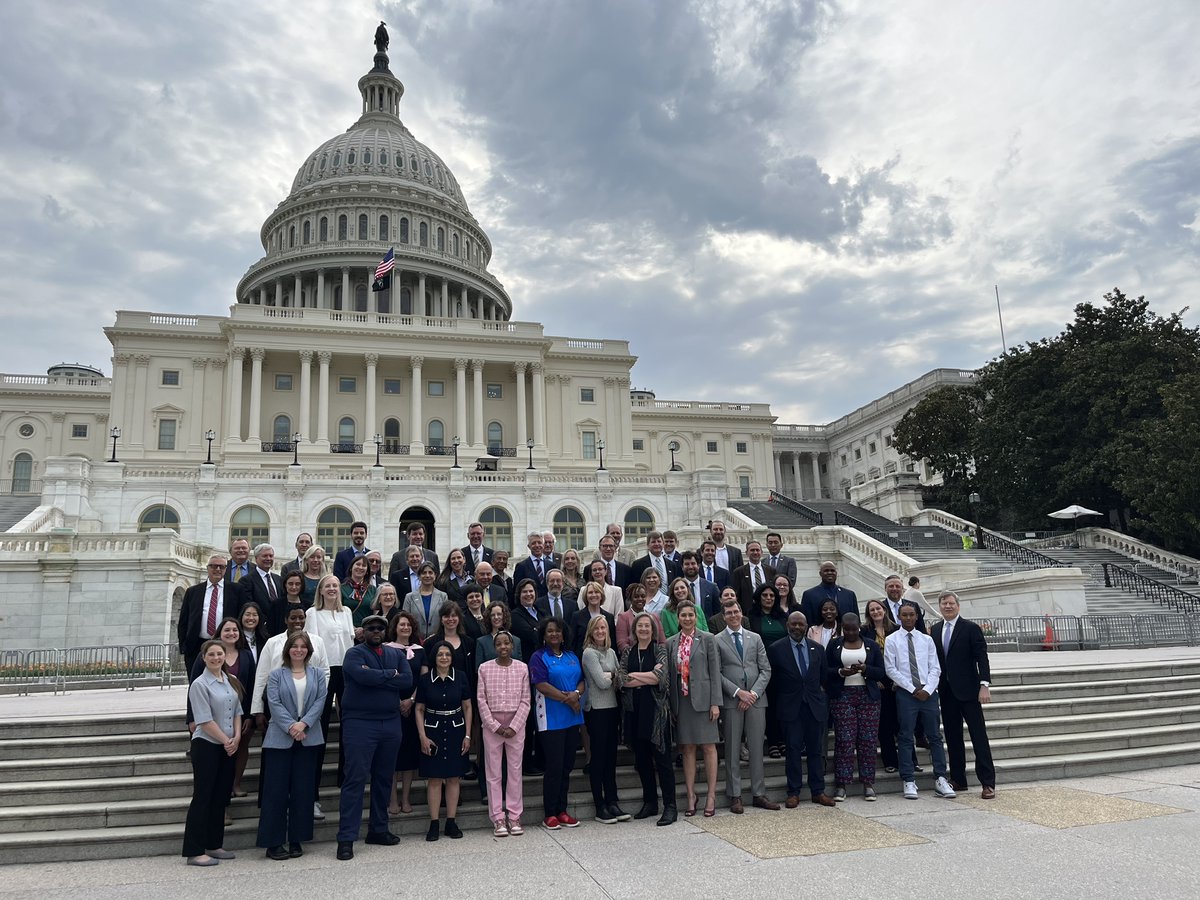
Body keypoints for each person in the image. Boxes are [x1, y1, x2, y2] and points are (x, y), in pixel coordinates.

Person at [335, 614, 413, 861]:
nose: (377, 631)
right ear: (363, 631)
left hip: (390, 722)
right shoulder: (354, 654)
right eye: (371, 627)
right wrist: (391, 676)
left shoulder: (396, 654)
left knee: (384, 779)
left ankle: (378, 829)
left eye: (381, 627)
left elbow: (408, 681)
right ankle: (346, 838)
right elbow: (361, 676)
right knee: (355, 779)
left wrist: (380, 675)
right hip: (360, 723)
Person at [257, 632, 328, 860]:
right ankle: (273, 842)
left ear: (309, 650)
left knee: (303, 791)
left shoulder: (317, 674)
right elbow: (274, 703)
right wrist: (291, 727)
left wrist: (304, 723)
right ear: (287, 649)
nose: (299, 650)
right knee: (275, 792)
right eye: (294, 646)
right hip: (280, 738)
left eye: (303, 646)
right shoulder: (277, 675)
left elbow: (320, 701)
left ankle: (297, 838)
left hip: (308, 738)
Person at [883, 604, 955, 801]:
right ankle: (908, 779)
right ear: (898, 617)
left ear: (916, 617)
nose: (908, 618)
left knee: (934, 736)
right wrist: (913, 689)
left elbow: (935, 667)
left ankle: (940, 778)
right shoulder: (892, 640)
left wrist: (927, 689)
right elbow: (891, 669)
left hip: (928, 692)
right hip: (907, 693)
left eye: (911, 615)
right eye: (904, 615)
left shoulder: (927, 639)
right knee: (906, 736)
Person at [767, 611, 836, 808]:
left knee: (816, 751)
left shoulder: (818, 649)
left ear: (806, 626)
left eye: (801, 624)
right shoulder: (776, 649)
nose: (797, 627)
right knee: (793, 750)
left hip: (814, 707)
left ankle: (818, 791)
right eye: (794, 624)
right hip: (790, 708)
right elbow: (773, 682)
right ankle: (793, 791)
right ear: (787, 625)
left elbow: (823, 677)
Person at [714, 597, 776, 813]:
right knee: (732, 748)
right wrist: (738, 693)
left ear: (741, 613)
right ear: (724, 617)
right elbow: (717, 673)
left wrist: (753, 694)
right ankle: (735, 795)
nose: (733, 615)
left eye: (736, 612)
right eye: (729, 613)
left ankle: (759, 793)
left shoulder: (755, 638)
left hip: (756, 701)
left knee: (757, 748)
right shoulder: (717, 640)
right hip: (732, 701)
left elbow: (765, 669)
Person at [931, 591, 996, 799]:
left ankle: (987, 782)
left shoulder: (970, 628)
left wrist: (984, 684)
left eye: (951, 603)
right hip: (947, 692)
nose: (947, 606)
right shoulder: (936, 629)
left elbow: (981, 658)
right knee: (953, 737)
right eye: (944, 603)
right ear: (940, 606)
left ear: (958, 606)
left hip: (969, 691)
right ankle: (958, 779)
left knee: (979, 737)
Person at [182, 640, 241, 866]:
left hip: (228, 745)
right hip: (207, 745)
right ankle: (194, 850)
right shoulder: (199, 684)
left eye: (220, 654)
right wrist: (226, 740)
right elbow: (204, 720)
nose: (216, 658)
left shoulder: (231, 681)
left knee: (220, 797)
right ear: (204, 658)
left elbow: (237, 711)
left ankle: (214, 844)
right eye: (212, 655)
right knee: (203, 797)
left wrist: (235, 737)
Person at [186, 618, 256, 800]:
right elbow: (194, 690)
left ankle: (234, 787)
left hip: (234, 723)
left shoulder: (244, 658)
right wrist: (192, 718)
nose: (231, 633)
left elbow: (249, 687)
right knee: (207, 785)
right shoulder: (205, 662)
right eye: (227, 630)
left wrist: (246, 719)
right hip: (210, 729)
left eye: (235, 629)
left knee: (226, 777)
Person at [618, 612, 676, 825]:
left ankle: (670, 806)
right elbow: (621, 679)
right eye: (640, 626)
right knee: (642, 760)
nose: (643, 629)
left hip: (656, 712)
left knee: (662, 760)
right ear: (634, 630)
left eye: (647, 626)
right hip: (635, 711)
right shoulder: (628, 652)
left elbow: (661, 678)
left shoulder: (660, 649)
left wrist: (639, 677)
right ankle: (650, 802)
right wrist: (647, 676)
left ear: (653, 630)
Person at [305, 574, 355, 816]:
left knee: (348, 726)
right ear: (321, 590)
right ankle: (312, 794)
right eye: (328, 586)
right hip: (322, 672)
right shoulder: (312, 613)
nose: (332, 589)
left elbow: (350, 643)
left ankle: (345, 781)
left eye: (336, 586)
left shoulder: (346, 612)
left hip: (345, 671)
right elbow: (312, 645)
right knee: (320, 727)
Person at [667, 600, 722, 817]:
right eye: (683, 616)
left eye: (691, 615)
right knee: (687, 748)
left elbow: (715, 672)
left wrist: (715, 702)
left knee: (709, 747)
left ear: (696, 617)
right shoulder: (671, 642)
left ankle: (711, 795)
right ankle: (691, 794)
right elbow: (671, 676)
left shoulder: (707, 639)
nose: (687, 619)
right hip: (682, 700)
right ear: (678, 618)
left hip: (704, 700)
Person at [529, 617, 584, 830]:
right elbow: (541, 685)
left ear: (563, 635)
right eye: (550, 631)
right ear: (543, 635)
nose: (554, 634)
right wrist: (569, 699)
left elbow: (582, 680)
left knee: (567, 766)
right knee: (554, 766)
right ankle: (550, 813)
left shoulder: (571, 656)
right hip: (550, 720)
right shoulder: (538, 657)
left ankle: (562, 810)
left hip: (572, 718)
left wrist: (577, 694)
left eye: (558, 631)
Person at [415, 640, 473, 841]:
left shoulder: (461, 677)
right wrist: (422, 736)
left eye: (447, 654)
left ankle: (451, 821)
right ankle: (434, 823)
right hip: (433, 732)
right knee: (434, 778)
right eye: (440, 654)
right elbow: (419, 709)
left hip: (456, 730)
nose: (444, 658)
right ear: (434, 657)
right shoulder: (425, 680)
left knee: (454, 778)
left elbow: (467, 706)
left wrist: (467, 735)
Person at [476, 631, 530, 836]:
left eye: (507, 643)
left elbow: (526, 700)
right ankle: (498, 818)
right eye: (499, 644)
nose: (503, 647)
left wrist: (514, 726)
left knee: (515, 771)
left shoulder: (522, 668)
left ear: (512, 645)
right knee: (493, 773)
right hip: (493, 724)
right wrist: (494, 725)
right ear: (494, 647)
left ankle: (514, 816)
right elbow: (481, 700)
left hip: (516, 723)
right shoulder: (484, 668)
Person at [826, 613, 885, 801]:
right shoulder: (834, 645)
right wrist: (839, 671)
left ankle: (868, 783)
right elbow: (825, 670)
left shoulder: (872, 645)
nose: (850, 632)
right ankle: (842, 784)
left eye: (854, 628)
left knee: (867, 740)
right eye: (847, 629)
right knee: (845, 739)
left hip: (868, 696)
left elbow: (881, 672)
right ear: (842, 627)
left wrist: (866, 669)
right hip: (842, 696)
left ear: (859, 626)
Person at [581, 616, 628, 824]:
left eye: (604, 628)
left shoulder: (610, 652)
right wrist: (612, 675)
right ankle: (599, 805)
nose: (601, 631)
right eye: (597, 628)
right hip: (597, 710)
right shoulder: (589, 654)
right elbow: (601, 682)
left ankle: (613, 801)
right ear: (591, 632)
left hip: (612, 709)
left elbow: (621, 680)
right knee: (598, 759)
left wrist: (612, 675)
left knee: (611, 759)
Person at [384, 611, 425, 816]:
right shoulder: (386, 650)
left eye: (408, 625)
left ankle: (406, 798)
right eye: (401, 625)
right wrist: (398, 701)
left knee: (409, 756)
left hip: (413, 707)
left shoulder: (420, 651)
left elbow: (423, 678)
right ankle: (392, 799)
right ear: (395, 627)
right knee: (392, 755)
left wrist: (411, 700)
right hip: (392, 707)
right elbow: (385, 678)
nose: (405, 628)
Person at [748, 582, 790, 759]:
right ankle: (772, 741)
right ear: (759, 597)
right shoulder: (751, 617)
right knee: (769, 705)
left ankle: (783, 740)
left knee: (783, 704)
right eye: (765, 595)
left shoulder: (782, 616)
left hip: (783, 667)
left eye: (772, 596)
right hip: (762, 668)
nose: (769, 598)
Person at [863, 598, 901, 773]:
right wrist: (873, 678)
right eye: (872, 610)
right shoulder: (864, 632)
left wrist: (898, 680)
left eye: (878, 608)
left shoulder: (897, 630)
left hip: (898, 682)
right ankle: (890, 760)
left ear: (884, 610)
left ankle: (910, 760)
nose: (876, 612)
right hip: (878, 681)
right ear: (868, 614)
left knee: (901, 723)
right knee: (884, 725)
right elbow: (863, 658)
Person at [178, 555, 232, 675]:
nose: (217, 569)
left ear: (226, 569)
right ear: (207, 568)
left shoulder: (236, 590)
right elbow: (183, 621)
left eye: (221, 567)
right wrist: (184, 646)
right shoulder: (193, 591)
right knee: (195, 682)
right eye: (214, 566)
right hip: (196, 646)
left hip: (225, 645)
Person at [240, 543, 288, 637]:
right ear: (256, 558)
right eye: (265, 556)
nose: (268, 558)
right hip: (259, 629)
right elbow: (248, 605)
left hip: (280, 628)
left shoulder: (279, 579)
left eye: (271, 556)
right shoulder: (246, 581)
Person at [799, 561, 859, 628]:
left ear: (836, 573)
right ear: (820, 573)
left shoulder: (849, 595)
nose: (830, 573)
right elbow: (807, 621)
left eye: (832, 570)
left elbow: (856, 620)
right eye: (826, 571)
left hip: (846, 635)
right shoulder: (809, 595)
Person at [571, 581, 615, 658]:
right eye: (590, 592)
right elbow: (572, 642)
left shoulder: (609, 617)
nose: (593, 595)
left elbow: (612, 643)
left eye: (597, 592)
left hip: (604, 660)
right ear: (586, 596)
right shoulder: (576, 616)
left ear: (601, 595)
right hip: (581, 660)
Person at [616, 583, 664, 652]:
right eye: (636, 596)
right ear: (630, 598)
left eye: (643, 596)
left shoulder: (654, 617)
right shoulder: (623, 617)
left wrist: (658, 655)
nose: (640, 599)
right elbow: (622, 643)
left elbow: (662, 642)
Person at [510, 578, 548, 663]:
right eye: (524, 592)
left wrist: (537, 629)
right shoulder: (515, 615)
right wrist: (543, 631)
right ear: (518, 595)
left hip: (547, 657)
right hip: (529, 659)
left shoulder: (543, 612)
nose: (528, 594)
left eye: (531, 591)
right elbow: (531, 635)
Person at [403, 562, 446, 638]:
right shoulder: (409, 597)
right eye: (424, 573)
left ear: (435, 575)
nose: (427, 575)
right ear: (419, 576)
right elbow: (405, 620)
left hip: (437, 639)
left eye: (430, 573)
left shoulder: (443, 596)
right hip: (415, 640)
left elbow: (445, 619)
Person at [731, 540, 777, 613]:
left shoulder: (771, 571)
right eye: (752, 550)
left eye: (757, 550)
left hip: (768, 610)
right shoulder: (739, 572)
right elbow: (736, 595)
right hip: (748, 612)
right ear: (746, 553)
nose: (755, 552)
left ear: (761, 552)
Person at [679, 550, 721, 618]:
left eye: (693, 563)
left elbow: (718, 612)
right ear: (682, 567)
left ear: (698, 565)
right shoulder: (676, 588)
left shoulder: (712, 587)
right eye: (687, 564)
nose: (690, 567)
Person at [340, 556, 376, 629]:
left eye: (364, 565)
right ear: (351, 568)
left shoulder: (373, 590)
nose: (360, 567)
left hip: (367, 631)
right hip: (346, 629)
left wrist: (364, 630)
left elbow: (375, 613)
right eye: (358, 564)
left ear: (367, 571)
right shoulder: (341, 589)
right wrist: (353, 629)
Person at [513, 531, 551, 596]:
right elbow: (517, 591)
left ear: (543, 545)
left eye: (539, 542)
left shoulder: (551, 565)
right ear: (529, 546)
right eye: (533, 543)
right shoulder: (521, 566)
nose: (537, 545)